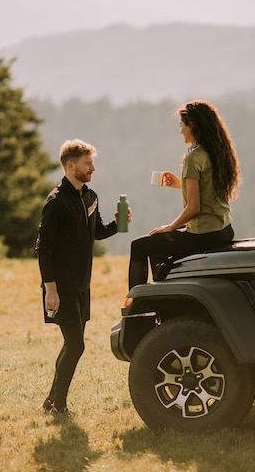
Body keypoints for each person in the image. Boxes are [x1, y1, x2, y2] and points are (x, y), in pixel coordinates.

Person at [35, 139, 126, 416]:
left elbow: (96, 232)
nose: (93, 168)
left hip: (82, 285)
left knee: (71, 344)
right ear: (71, 165)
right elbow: (43, 248)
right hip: (61, 287)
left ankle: (51, 401)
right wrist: (51, 290)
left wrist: (118, 225)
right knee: (76, 345)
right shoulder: (56, 202)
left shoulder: (90, 196)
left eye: (92, 163)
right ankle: (59, 406)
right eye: (88, 164)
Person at [128, 100, 240, 288]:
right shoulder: (217, 152)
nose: (180, 130)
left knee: (139, 246)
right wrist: (180, 184)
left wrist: (170, 227)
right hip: (223, 230)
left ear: (192, 125)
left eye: (182, 125)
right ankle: (164, 292)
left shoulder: (193, 158)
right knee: (156, 244)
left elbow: (193, 208)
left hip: (203, 233)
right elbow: (208, 190)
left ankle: (134, 305)